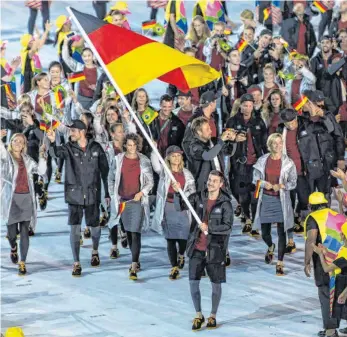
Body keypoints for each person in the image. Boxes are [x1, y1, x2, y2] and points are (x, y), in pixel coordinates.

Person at [47, 120, 110, 277]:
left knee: (94, 227)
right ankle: (76, 262)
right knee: (75, 228)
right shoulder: (68, 147)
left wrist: (107, 193)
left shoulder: (96, 147)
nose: (71, 133)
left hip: (92, 194)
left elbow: (105, 171)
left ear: (81, 131)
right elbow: (55, 153)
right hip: (74, 195)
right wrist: (53, 142)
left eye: (73, 131)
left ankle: (95, 250)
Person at [173, 170, 233, 331]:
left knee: (216, 285)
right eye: (209, 179)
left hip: (215, 250)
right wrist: (178, 192)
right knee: (193, 283)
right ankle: (198, 314)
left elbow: (227, 227)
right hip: (196, 248)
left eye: (214, 181)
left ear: (221, 184)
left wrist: (210, 227)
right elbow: (180, 206)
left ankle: (213, 315)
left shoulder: (225, 203)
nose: (210, 183)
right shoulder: (199, 197)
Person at [108, 133, 154, 281]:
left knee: (135, 232)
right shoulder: (118, 160)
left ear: (137, 146)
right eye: (129, 145)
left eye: (134, 145)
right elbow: (111, 178)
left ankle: (134, 264)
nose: (132, 148)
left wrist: (142, 192)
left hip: (137, 201)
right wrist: (113, 195)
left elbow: (150, 182)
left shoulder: (144, 161)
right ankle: (136, 258)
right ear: (125, 145)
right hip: (123, 201)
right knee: (128, 231)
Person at [1, 133, 47, 276]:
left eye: (21, 142)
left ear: (23, 145)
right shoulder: (5, 158)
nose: (17, 143)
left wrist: (41, 156)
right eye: (15, 140)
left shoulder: (27, 160)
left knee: (25, 230)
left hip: (26, 198)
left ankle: (23, 262)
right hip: (11, 199)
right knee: (12, 233)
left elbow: (41, 171)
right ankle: (13, 247)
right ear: (11, 142)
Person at [253, 133, 297, 275]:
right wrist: (265, 184)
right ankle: (270, 245)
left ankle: (280, 262)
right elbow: (256, 179)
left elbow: (293, 182)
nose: (278, 146)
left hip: (281, 200)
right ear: (269, 145)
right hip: (266, 198)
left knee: (281, 232)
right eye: (275, 143)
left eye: (280, 143)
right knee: (265, 232)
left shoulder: (288, 162)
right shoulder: (262, 160)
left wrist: (282, 186)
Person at [151, 145, 196, 279]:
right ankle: (174, 267)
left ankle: (181, 254)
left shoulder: (187, 173)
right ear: (168, 158)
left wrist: (181, 191)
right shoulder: (165, 172)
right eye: (173, 156)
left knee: (183, 237)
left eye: (178, 155)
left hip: (181, 208)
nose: (176, 158)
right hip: (168, 207)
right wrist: (154, 150)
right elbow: (156, 165)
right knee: (170, 239)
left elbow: (192, 191)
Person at [226, 93, 267, 235]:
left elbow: (264, 143)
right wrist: (235, 139)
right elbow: (226, 145)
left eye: (250, 105)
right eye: (245, 105)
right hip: (239, 164)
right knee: (243, 194)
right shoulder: (232, 122)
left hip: (255, 164)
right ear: (240, 106)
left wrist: (266, 160)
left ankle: (254, 221)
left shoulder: (258, 122)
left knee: (254, 195)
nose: (248, 108)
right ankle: (247, 218)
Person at [304, 192, 342, 337]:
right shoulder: (335, 214)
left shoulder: (313, 218)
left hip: (325, 261)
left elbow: (311, 240)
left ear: (311, 206)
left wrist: (307, 261)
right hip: (343, 258)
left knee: (326, 294)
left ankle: (331, 330)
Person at [278, 108, 310, 247]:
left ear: (296, 118)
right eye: (287, 123)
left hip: (302, 170)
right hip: (287, 172)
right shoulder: (281, 131)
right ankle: (292, 224)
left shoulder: (304, 126)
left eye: (291, 122)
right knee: (288, 201)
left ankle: (298, 212)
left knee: (304, 198)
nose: (290, 125)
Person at [312, 223, 347, 337]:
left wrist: (320, 254)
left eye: (342, 233)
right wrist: (325, 251)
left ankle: (331, 332)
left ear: (343, 236)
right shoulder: (343, 249)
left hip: (342, 284)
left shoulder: (345, 255)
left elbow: (327, 269)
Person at [188, 116, 235, 192]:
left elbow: (228, 152)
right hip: (205, 188)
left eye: (210, 128)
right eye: (207, 129)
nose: (210, 131)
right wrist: (221, 141)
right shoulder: (194, 146)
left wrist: (233, 141)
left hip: (220, 185)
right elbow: (208, 156)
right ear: (199, 132)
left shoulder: (214, 141)